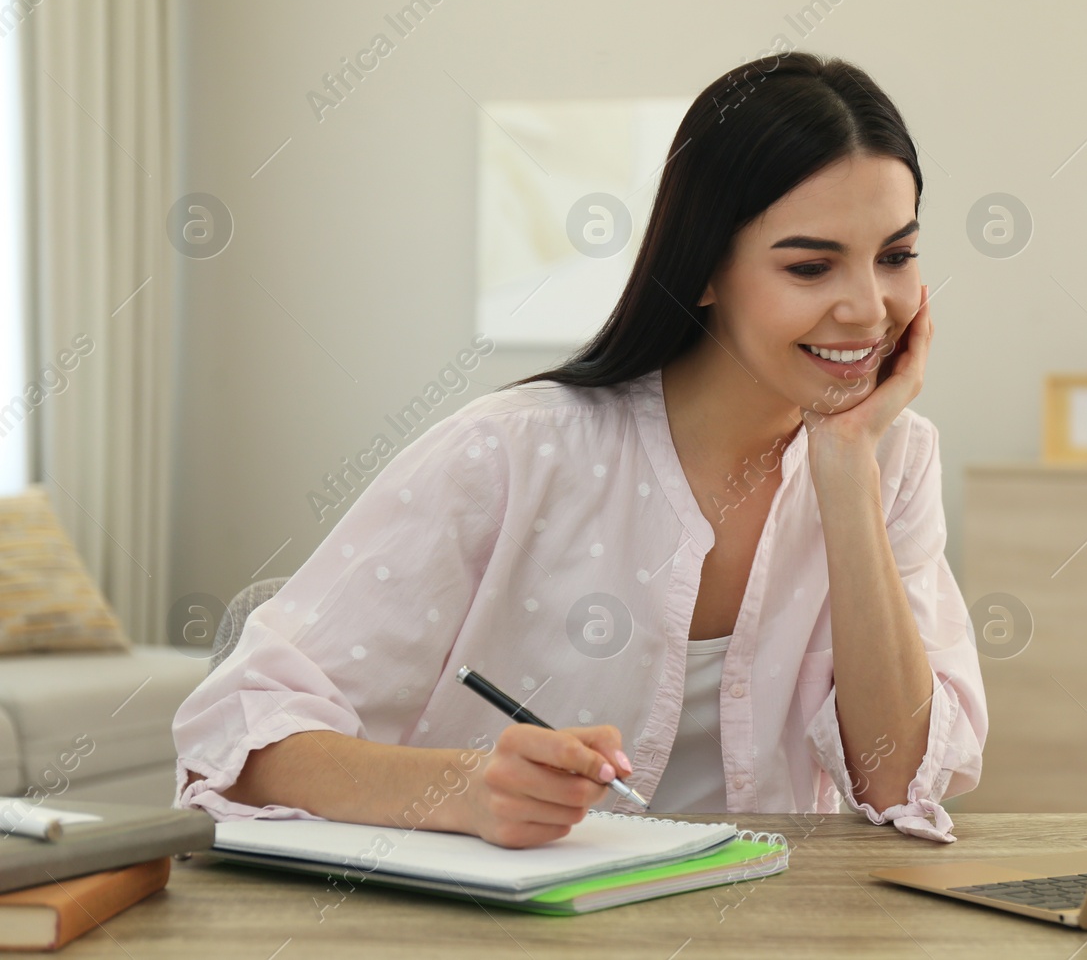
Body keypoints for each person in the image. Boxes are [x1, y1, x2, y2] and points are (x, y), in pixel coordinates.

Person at [172, 51, 987, 847]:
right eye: (811, 267)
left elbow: (898, 784)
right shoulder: (510, 453)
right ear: (703, 268)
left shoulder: (891, 457)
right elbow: (237, 736)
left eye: (897, 257)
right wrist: (465, 792)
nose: (868, 308)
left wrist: (844, 468)